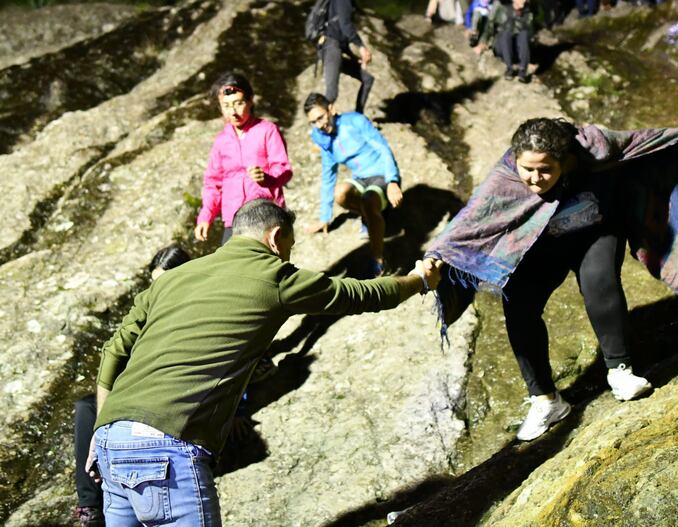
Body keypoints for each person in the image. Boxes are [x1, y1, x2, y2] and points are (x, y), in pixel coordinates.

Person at [85, 199, 442, 526]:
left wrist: (100, 429)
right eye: (289, 246)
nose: (288, 255)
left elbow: (115, 350)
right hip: (167, 446)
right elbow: (358, 294)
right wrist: (420, 280)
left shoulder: (173, 278)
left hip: (110, 440)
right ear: (275, 237)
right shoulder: (273, 276)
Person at [426, 118, 678, 441]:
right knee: (518, 306)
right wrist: (435, 256)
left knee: (600, 281)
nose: (534, 178)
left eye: (544, 170)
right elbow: (471, 220)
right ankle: (545, 400)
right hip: (543, 243)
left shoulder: (596, 147)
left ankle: (620, 371)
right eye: (527, 169)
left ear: (565, 159)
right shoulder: (507, 176)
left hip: (596, 231)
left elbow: (644, 141)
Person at [72, 245, 190, 527]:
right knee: (84, 408)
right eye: (154, 283)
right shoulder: (147, 306)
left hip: (163, 395)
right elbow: (115, 352)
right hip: (133, 388)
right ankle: (90, 505)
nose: (156, 290)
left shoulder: (193, 310)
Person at [304, 92, 403, 277]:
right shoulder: (324, 138)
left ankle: (379, 259)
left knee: (368, 201)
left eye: (321, 117)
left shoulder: (355, 121)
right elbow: (328, 175)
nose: (320, 125)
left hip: (381, 174)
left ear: (331, 109)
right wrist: (325, 217)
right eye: (314, 122)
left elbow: (383, 148)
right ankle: (372, 217)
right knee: (340, 193)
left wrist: (393, 181)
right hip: (361, 178)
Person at [194, 72, 293, 245]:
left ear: (250, 101)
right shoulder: (221, 141)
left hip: (266, 215)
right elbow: (213, 183)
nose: (233, 112)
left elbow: (283, 169)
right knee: (229, 269)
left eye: (238, 103)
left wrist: (267, 178)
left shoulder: (267, 130)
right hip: (234, 220)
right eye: (226, 106)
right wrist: (205, 216)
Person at [318, 0, 374, 114]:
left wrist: (353, 57)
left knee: (367, 79)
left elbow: (339, 33)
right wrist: (361, 47)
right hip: (330, 49)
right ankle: (319, 123)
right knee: (331, 94)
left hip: (333, 47)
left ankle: (359, 115)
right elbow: (346, 26)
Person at [481, 0, 538, 83]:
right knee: (506, 33)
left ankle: (522, 70)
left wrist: (521, 13)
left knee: (524, 33)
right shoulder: (500, 5)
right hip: (501, 45)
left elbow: (531, 34)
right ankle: (509, 69)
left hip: (517, 48)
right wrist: (483, 42)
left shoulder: (528, 10)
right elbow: (489, 25)